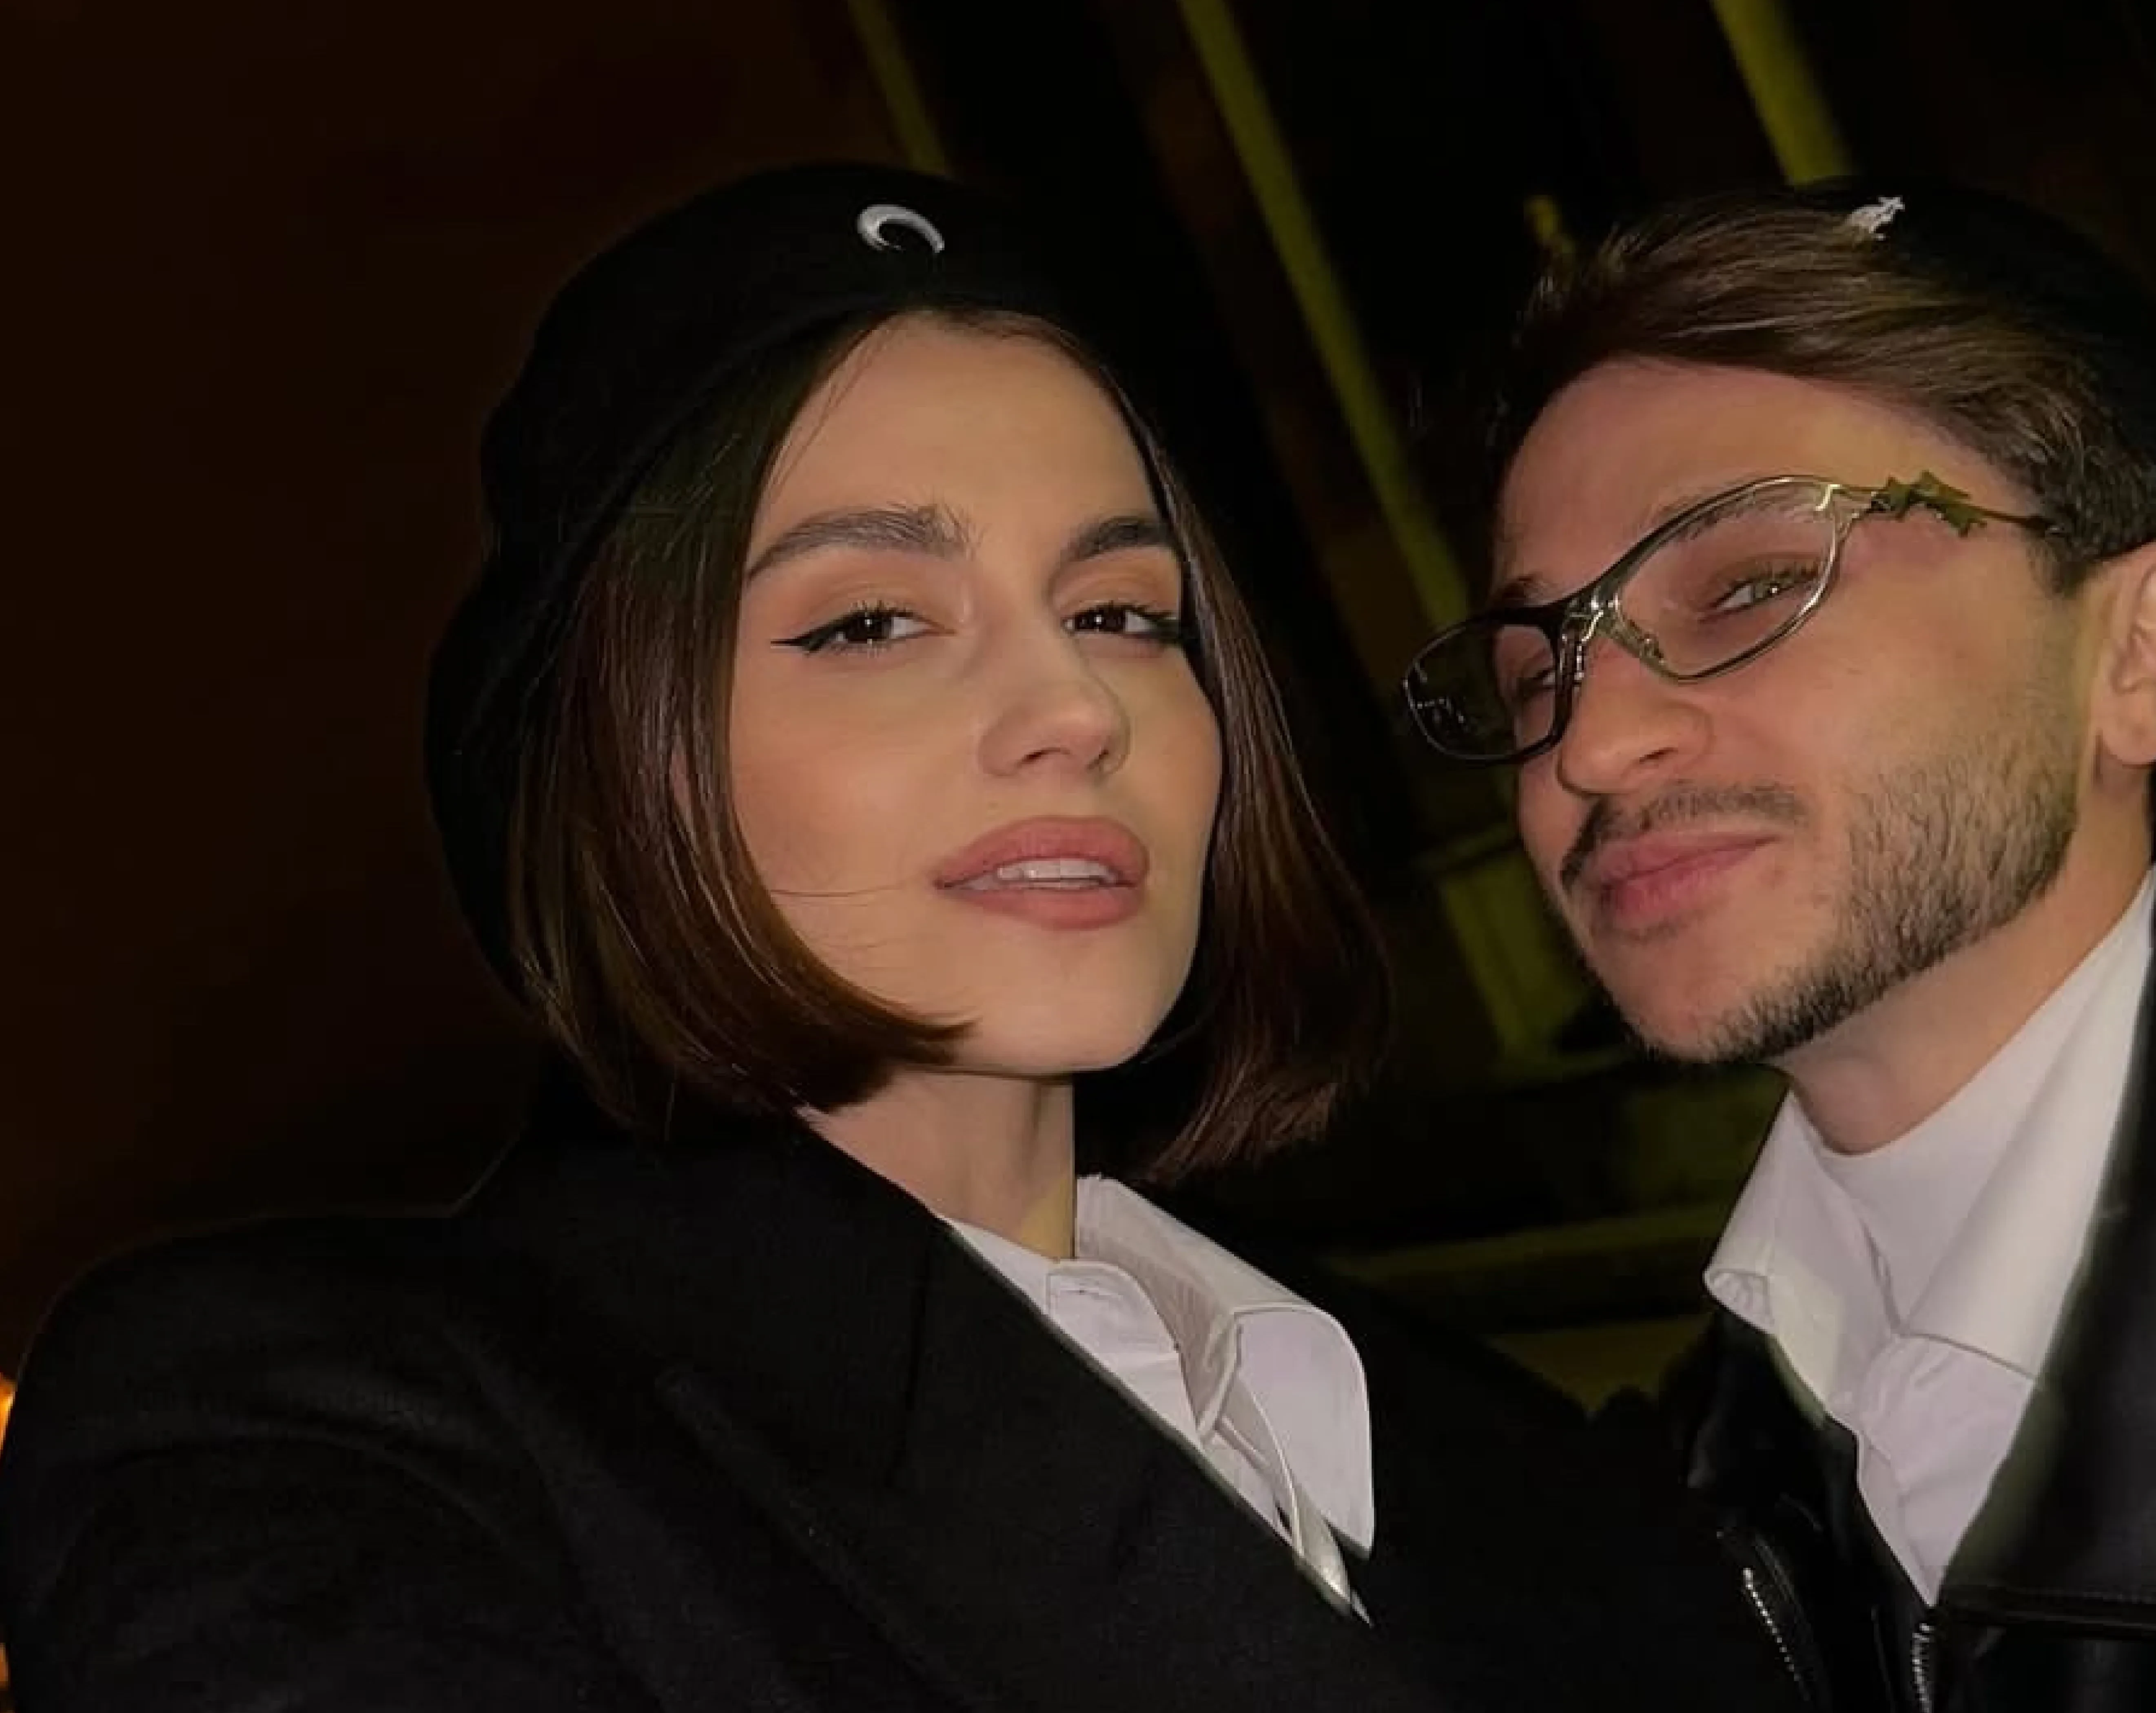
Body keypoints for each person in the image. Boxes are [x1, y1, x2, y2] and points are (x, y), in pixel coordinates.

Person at [0, 164, 1793, 1712]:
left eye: (1123, 611)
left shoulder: (1487, 1441)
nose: (1075, 707)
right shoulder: (328, 1419)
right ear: (615, 760)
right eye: (870, 622)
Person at [1403, 178, 2156, 1710]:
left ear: (2142, 657)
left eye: (1751, 586)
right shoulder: (1676, 1502)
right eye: (1536, 673)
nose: (1593, 743)